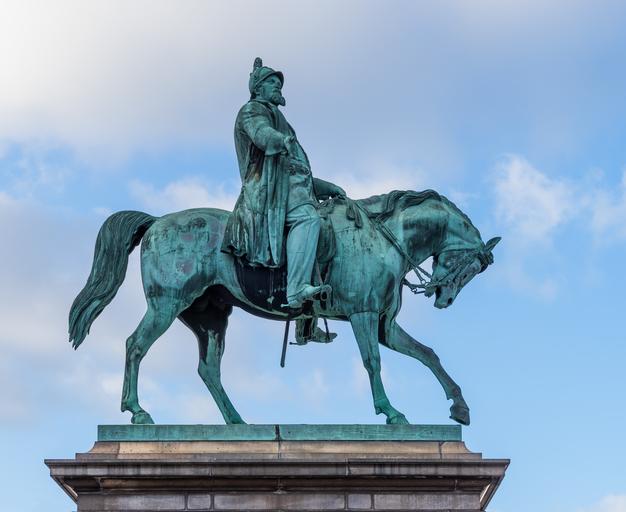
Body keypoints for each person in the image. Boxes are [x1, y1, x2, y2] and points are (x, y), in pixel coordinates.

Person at [222, 58, 345, 312]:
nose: (278, 86)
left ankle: (308, 318)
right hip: (267, 193)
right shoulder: (252, 110)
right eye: (272, 82)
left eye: (279, 83)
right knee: (308, 219)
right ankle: (297, 289)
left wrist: (327, 187)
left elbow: (297, 173)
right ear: (258, 89)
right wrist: (282, 140)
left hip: (289, 192)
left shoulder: (282, 121)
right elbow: (261, 135)